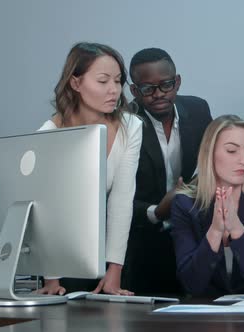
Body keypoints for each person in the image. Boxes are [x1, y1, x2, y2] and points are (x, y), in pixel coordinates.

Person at [36, 42, 143, 295]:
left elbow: (121, 201)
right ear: (75, 83)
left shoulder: (131, 126)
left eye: (117, 81)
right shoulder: (49, 134)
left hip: (110, 249)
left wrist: (114, 272)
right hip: (60, 255)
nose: (114, 90)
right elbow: (46, 211)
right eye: (103, 81)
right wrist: (51, 278)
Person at [121, 48, 212, 294]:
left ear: (178, 82)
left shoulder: (199, 110)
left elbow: (211, 162)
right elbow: (114, 196)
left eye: (166, 85)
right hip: (143, 238)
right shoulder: (122, 124)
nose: (159, 94)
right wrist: (156, 211)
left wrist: (194, 186)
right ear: (134, 90)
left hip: (192, 229)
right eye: (148, 89)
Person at [170, 115, 244, 296]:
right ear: (209, 153)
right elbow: (191, 285)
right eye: (232, 151)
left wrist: (237, 229)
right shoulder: (185, 205)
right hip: (205, 318)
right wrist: (215, 231)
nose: (243, 160)